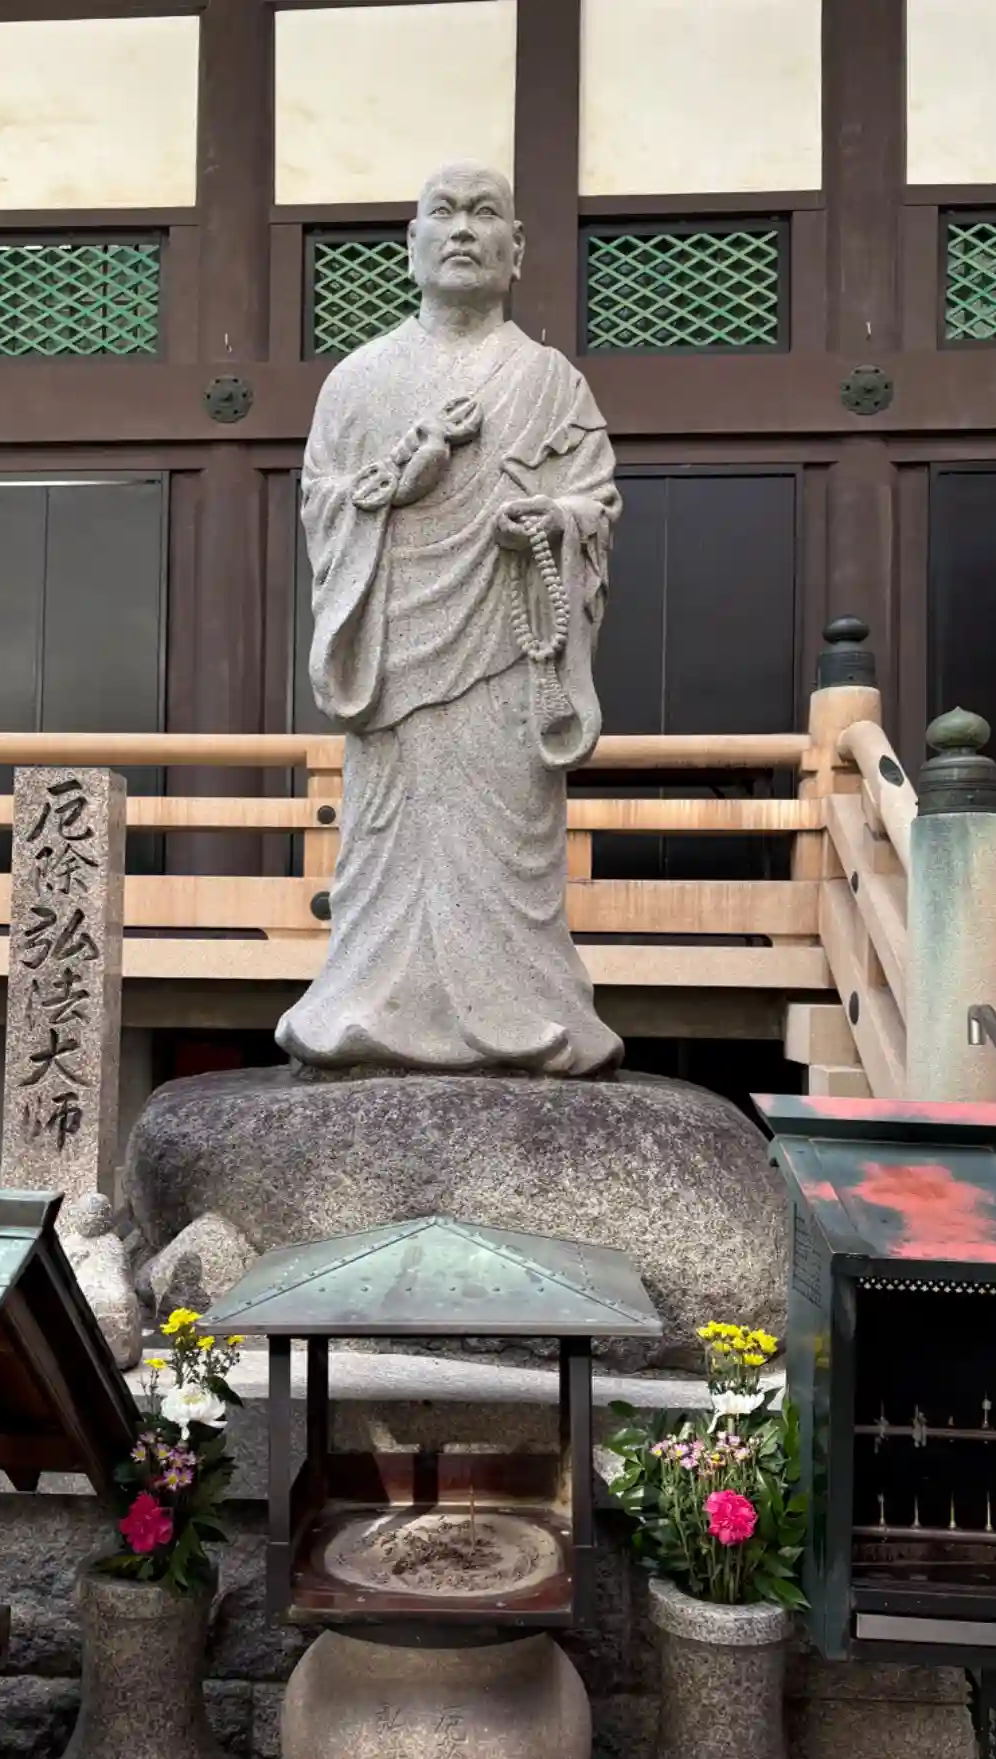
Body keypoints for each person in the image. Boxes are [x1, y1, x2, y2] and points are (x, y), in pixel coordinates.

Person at [275, 161, 624, 1075]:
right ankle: (367, 1001)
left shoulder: (551, 382)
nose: (464, 229)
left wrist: (551, 520)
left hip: (506, 645)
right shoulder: (357, 382)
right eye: (443, 212)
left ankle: (525, 1006)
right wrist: (395, 488)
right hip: (395, 648)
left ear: (518, 248)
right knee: (387, 834)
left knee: (509, 834)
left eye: (485, 213)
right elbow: (323, 503)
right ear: (412, 245)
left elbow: (596, 502)